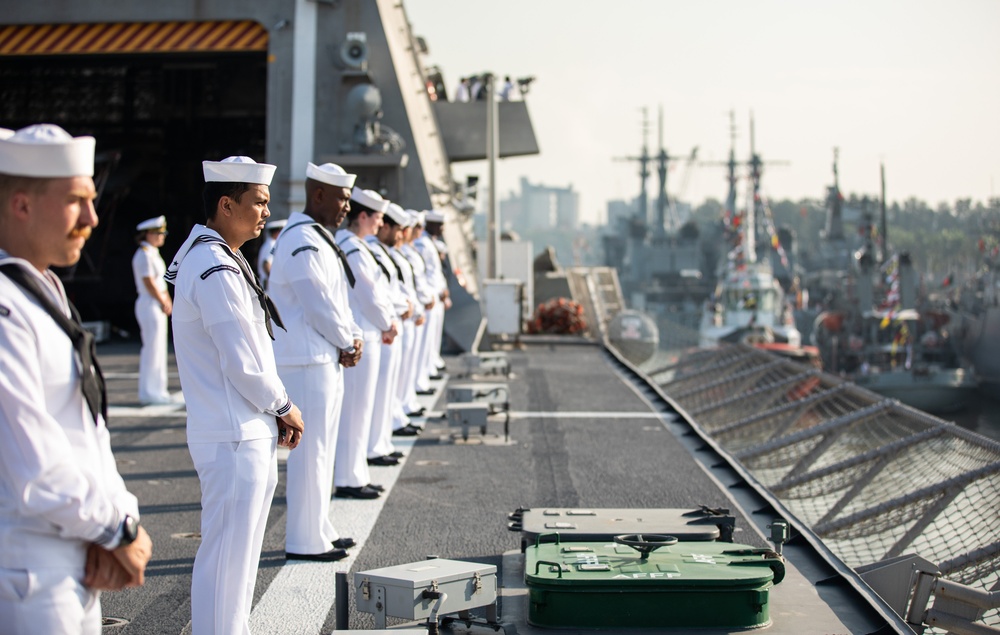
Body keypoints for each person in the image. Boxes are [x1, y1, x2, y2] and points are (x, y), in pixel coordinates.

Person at [0, 123, 152, 635]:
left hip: (78, 557)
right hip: (28, 576)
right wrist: (119, 529)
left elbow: (85, 431)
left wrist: (117, 521)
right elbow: (35, 466)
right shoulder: (5, 306)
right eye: (75, 201)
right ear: (21, 205)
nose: (92, 218)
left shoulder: (40, 288)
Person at [165, 155, 304, 634]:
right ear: (227, 204)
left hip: (239, 428)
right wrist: (284, 406)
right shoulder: (214, 266)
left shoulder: (216, 256)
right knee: (228, 564)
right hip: (233, 431)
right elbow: (242, 359)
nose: (265, 211)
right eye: (258, 202)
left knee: (237, 562)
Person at [269, 162, 362, 561]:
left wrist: (350, 338)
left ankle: (319, 527)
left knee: (321, 450)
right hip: (307, 361)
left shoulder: (318, 237)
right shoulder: (301, 239)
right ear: (319, 195)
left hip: (320, 358)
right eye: (341, 198)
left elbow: (334, 300)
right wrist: (348, 339)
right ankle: (304, 540)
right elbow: (318, 302)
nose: (346, 207)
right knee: (311, 453)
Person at [333, 187, 399, 499]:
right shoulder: (353, 249)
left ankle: (355, 473)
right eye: (378, 217)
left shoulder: (356, 246)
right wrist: (388, 323)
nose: (380, 222)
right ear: (363, 216)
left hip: (367, 334)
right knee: (355, 411)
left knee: (361, 410)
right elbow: (369, 295)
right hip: (362, 335)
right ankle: (348, 477)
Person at [365, 202, 414, 462]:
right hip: (381, 327)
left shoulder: (383, 252)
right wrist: (400, 308)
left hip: (390, 323)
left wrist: (406, 306)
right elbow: (375, 293)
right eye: (397, 229)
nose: (401, 235)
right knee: (378, 394)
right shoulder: (370, 250)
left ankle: (381, 442)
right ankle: (373, 446)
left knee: (387, 390)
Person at [132, 215, 174, 405]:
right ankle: (149, 392)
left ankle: (158, 390)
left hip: (156, 303)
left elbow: (160, 282)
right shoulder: (144, 254)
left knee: (158, 348)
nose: (162, 236)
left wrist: (166, 300)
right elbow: (149, 282)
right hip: (149, 302)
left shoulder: (153, 253)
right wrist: (162, 300)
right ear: (147, 234)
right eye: (158, 233)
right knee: (152, 348)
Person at [256, 217, 286, 289]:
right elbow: (266, 263)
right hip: (269, 286)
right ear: (277, 232)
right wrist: (274, 282)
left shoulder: (270, 244)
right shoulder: (271, 245)